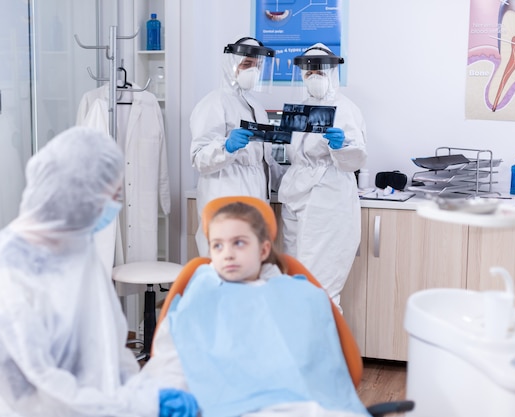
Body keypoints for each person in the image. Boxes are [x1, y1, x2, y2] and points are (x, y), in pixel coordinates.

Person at [0, 126, 197, 417]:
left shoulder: (77, 252)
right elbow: (37, 394)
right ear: (77, 195)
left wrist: (135, 391)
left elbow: (105, 345)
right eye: (113, 195)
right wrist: (139, 405)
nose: (117, 206)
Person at [141, 200, 370, 417]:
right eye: (217, 245)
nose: (227, 253)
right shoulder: (202, 290)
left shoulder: (300, 294)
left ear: (263, 250)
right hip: (224, 402)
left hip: (293, 402)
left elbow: (318, 367)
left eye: (239, 242)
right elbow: (175, 355)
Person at [278, 43, 367, 311]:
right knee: (294, 279)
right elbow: (286, 152)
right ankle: (298, 349)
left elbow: (357, 157)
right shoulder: (297, 109)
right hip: (295, 195)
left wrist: (342, 145)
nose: (313, 74)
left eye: (319, 69)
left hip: (328, 196)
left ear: (332, 71)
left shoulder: (346, 108)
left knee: (320, 287)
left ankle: (323, 351)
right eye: (308, 70)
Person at [190, 37, 283, 256]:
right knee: (223, 268)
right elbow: (198, 158)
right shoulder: (214, 103)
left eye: (257, 66)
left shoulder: (256, 107)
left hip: (255, 199)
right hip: (225, 196)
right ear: (232, 65)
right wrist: (227, 147)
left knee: (249, 269)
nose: (253, 70)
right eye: (247, 64)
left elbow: (265, 161)